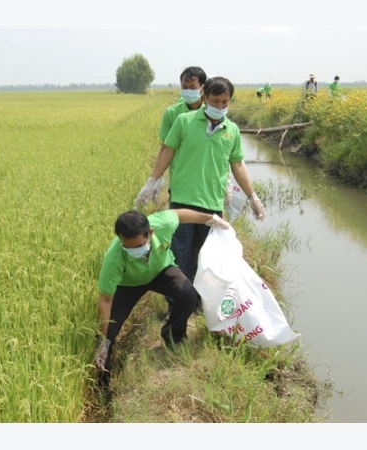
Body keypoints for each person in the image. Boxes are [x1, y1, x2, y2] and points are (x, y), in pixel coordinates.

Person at [133, 76, 265, 314]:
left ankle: (200, 303)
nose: (221, 106)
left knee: (205, 257)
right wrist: (152, 180)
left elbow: (237, 165)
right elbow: (168, 150)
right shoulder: (184, 121)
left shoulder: (231, 130)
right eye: (216, 101)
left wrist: (252, 196)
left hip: (212, 203)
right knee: (179, 255)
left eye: (226, 102)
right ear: (205, 98)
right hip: (183, 200)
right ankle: (178, 307)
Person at [94, 208, 230, 384]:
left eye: (137, 246)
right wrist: (104, 342)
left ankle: (174, 335)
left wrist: (210, 219)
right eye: (127, 246)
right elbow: (105, 301)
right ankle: (103, 382)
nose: (133, 250)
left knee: (188, 293)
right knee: (108, 333)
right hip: (129, 285)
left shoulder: (163, 224)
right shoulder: (114, 258)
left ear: (150, 233)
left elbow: (180, 214)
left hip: (161, 271)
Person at [150, 67, 208, 203]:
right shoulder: (172, 113)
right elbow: (165, 147)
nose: (188, 91)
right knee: (178, 220)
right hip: (179, 177)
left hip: (205, 178)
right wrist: (156, 178)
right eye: (184, 87)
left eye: (192, 87)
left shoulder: (211, 113)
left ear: (202, 88)